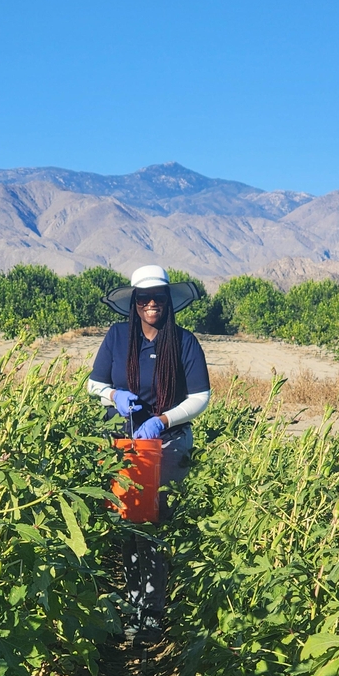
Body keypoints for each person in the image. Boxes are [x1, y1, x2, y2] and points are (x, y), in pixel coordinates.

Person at [88, 265, 211, 643]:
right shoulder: (117, 336)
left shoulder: (184, 342)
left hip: (168, 443)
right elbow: (93, 383)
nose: (152, 304)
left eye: (158, 296)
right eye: (145, 298)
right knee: (129, 525)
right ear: (135, 303)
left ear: (168, 300)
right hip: (125, 445)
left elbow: (200, 397)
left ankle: (152, 612)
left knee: (156, 524)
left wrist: (162, 419)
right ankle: (132, 603)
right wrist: (113, 396)